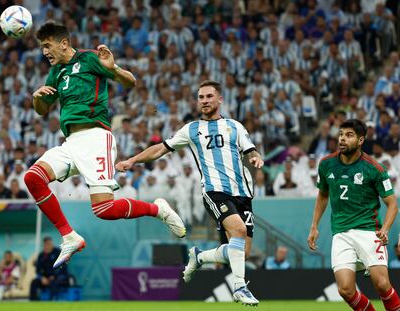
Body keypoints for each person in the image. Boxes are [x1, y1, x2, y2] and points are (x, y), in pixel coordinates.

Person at [24, 22, 186, 270]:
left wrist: (115, 69)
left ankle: (158, 209)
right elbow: (42, 111)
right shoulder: (56, 72)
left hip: (96, 138)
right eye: (42, 47)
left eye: (47, 46)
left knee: (104, 209)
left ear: (63, 43)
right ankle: (69, 236)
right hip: (70, 142)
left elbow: (130, 82)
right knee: (33, 178)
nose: (44, 51)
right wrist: (38, 99)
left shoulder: (89, 59)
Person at [116, 80, 263, 306]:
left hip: (243, 192)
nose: (204, 101)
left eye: (209, 96)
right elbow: (160, 148)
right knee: (239, 231)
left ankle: (199, 256)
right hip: (215, 191)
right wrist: (132, 160)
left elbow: (250, 149)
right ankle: (239, 287)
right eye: (201, 97)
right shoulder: (191, 130)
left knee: (242, 252)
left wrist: (254, 156)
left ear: (219, 99)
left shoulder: (234, 126)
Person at [307, 119, 400, 311]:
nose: (342, 139)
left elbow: (392, 205)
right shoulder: (326, 164)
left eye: (349, 135)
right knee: (345, 290)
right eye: (341, 134)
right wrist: (314, 225)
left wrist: (385, 228)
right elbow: (323, 194)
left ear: (360, 140)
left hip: (369, 230)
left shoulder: (374, 168)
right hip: (340, 233)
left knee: (382, 284)